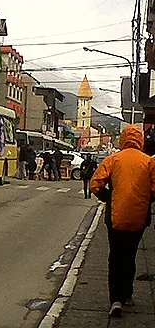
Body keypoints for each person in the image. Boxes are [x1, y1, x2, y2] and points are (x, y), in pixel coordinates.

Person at [90, 125, 155, 318]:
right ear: (141, 140)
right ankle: (127, 294)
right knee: (130, 255)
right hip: (139, 217)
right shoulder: (149, 162)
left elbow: (95, 185)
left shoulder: (113, 159)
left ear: (123, 139)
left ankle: (115, 299)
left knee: (115, 257)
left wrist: (109, 197)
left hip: (116, 217)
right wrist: (145, 199)